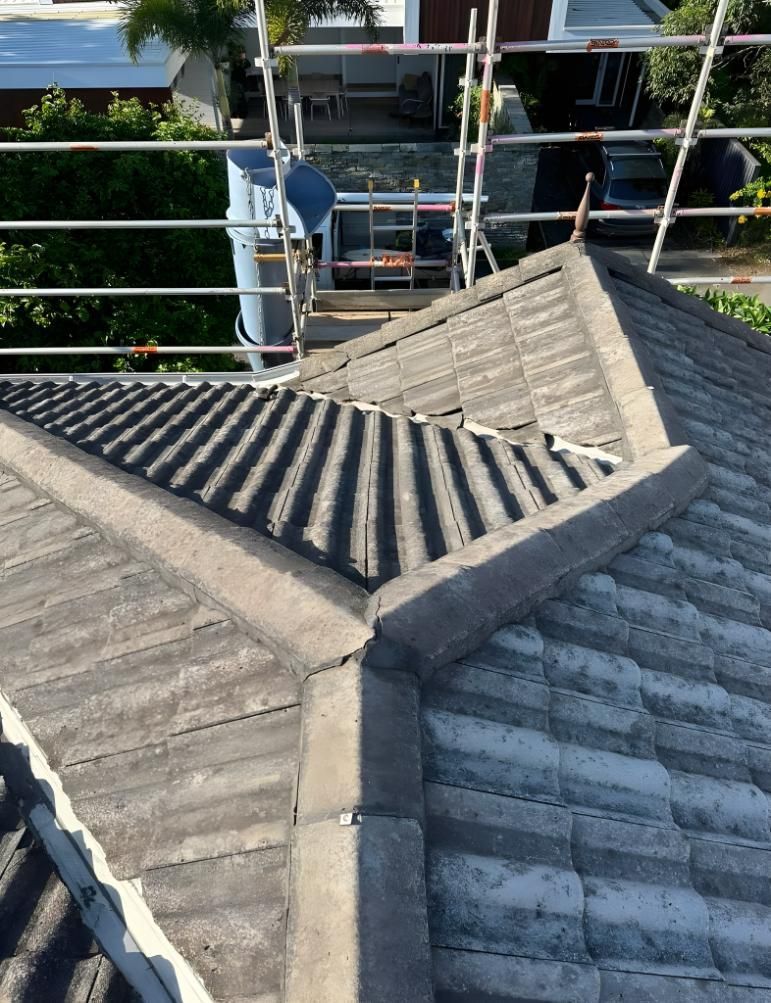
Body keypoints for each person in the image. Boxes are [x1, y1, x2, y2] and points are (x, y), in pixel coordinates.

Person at [230, 49, 251, 119]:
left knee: (241, 97)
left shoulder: (242, 62)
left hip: (240, 80)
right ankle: (239, 113)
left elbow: (248, 65)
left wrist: (244, 58)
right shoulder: (234, 62)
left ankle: (242, 113)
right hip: (236, 81)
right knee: (238, 98)